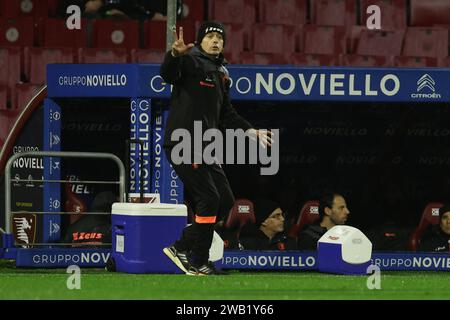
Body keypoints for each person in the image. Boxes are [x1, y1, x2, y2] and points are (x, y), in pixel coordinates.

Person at [160, 21, 273, 275]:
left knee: (225, 201)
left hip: (206, 147)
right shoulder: (189, 62)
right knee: (208, 198)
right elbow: (167, 74)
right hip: (183, 141)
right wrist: (174, 55)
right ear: (200, 41)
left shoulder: (222, 72)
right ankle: (197, 261)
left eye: (219, 38)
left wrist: (250, 131)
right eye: (210, 36)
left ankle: (181, 246)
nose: (215, 41)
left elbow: (227, 114)